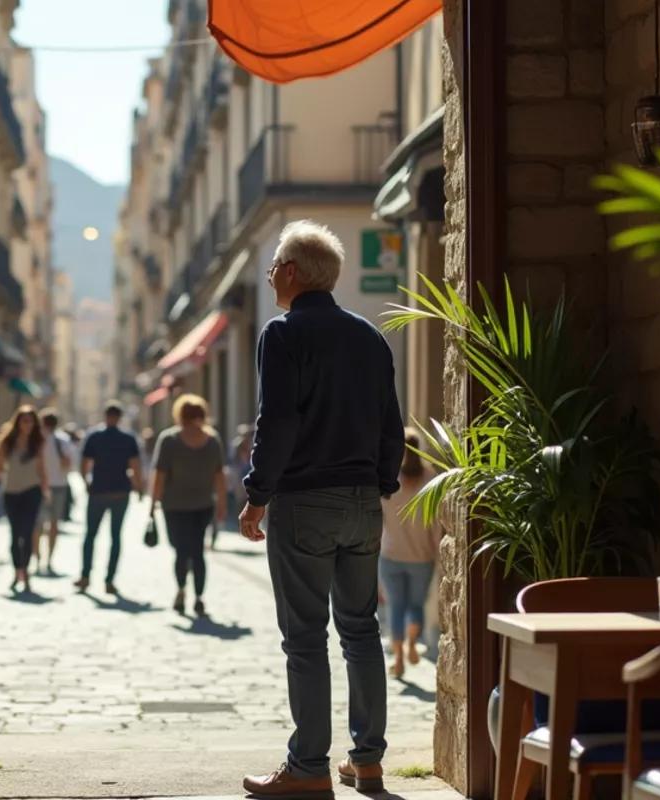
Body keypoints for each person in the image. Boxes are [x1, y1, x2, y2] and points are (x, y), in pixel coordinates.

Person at [239, 220, 405, 796]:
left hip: (304, 501)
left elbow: (277, 422)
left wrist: (257, 495)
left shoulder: (282, 334)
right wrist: (380, 484)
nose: (270, 280)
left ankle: (308, 767)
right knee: (362, 631)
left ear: (289, 273)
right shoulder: (369, 336)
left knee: (305, 637)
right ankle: (368, 761)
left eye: (272, 270)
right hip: (364, 501)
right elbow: (392, 423)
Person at [149, 394, 227, 617]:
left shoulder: (169, 439)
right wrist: (221, 505)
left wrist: (152, 503)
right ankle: (200, 598)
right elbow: (219, 477)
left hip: (174, 505)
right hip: (203, 506)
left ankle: (181, 590)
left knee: (181, 550)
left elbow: (159, 475)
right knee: (197, 551)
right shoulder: (212, 441)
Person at [377, 427, 439, 678]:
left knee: (395, 607)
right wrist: (438, 552)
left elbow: (378, 518)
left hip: (390, 554)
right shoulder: (430, 479)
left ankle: (400, 660)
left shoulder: (388, 479)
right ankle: (414, 641)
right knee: (416, 604)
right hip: (422, 556)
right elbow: (436, 522)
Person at [76, 403, 145, 594]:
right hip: (120, 492)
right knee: (115, 536)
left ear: (106, 416)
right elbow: (135, 465)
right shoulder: (127, 438)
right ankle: (109, 580)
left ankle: (85, 576)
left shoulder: (95, 436)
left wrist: (86, 482)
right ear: (119, 417)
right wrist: (138, 486)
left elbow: (84, 463)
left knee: (91, 535)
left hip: (98, 491)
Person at [0, 405, 50, 594]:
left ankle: (25, 572)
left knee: (27, 533)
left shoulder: (37, 443)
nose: (27, 424)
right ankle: (17, 570)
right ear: (17, 422)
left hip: (31, 491)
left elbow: (41, 469)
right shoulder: (7, 442)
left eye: (30, 421)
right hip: (11, 492)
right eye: (24, 420)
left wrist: (45, 489)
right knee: (15, 533)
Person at [34, 408, 74, 576]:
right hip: (58, 485)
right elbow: (70, 464)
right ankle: (48, 560)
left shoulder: (37, 440)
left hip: (38, 486)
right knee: (54, 525)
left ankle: (36, 559)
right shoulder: (63, 440)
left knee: (37, 525)